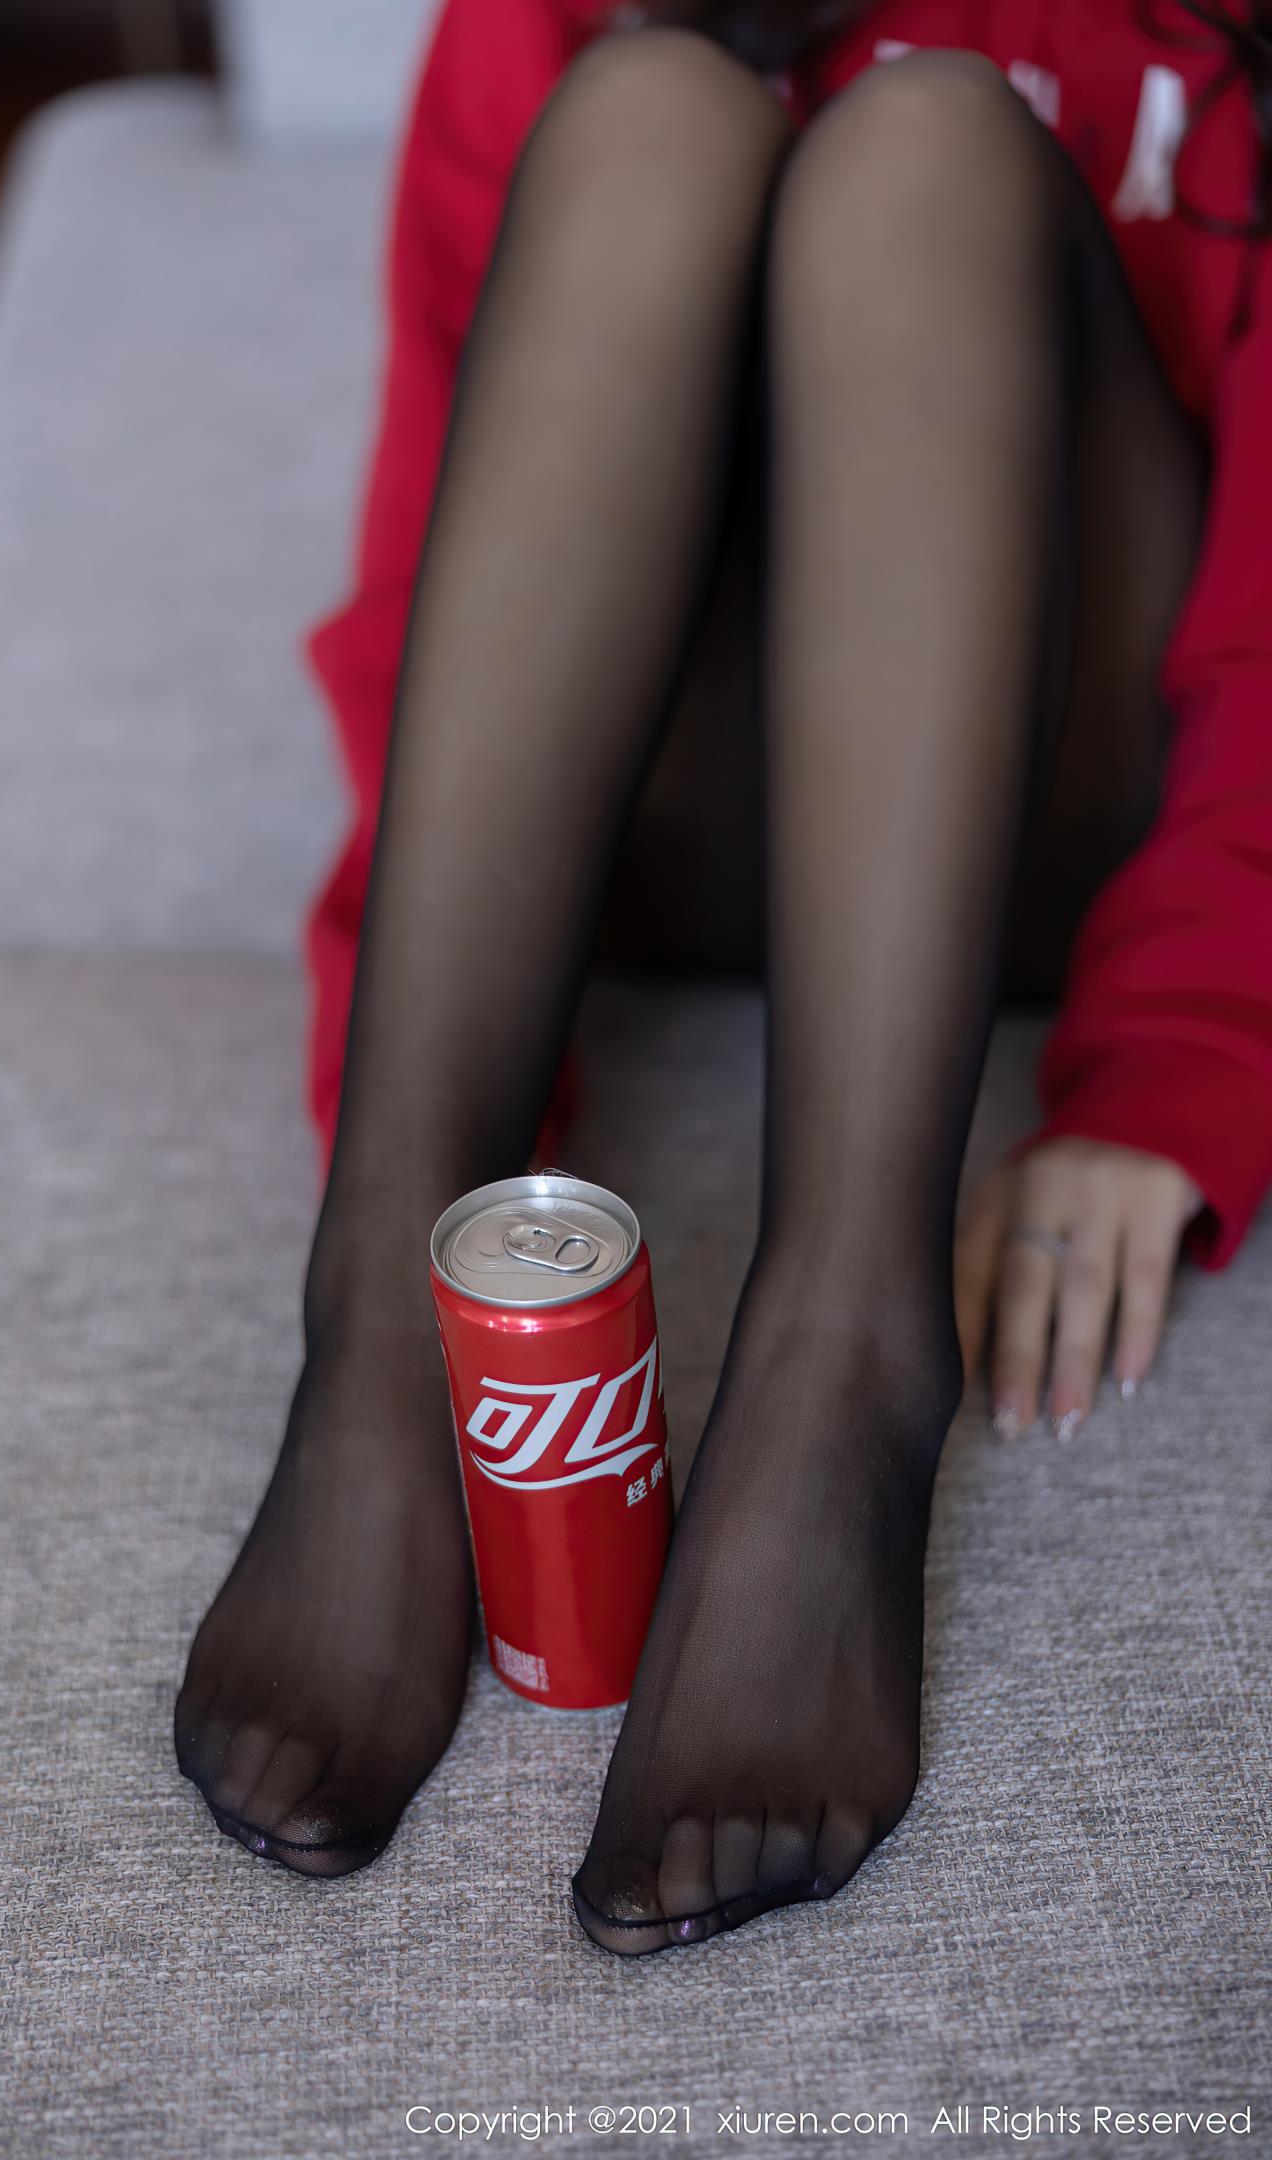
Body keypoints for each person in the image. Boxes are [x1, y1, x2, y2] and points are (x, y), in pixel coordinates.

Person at [175, 0, 1272, 1954]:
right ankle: (384, 1326)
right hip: (660, 804)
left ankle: (844, 1361)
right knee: (648, 115)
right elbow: (439, 556)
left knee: (927, 155)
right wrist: (419, 1070)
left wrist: (1176, 1060)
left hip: (1016, 811)